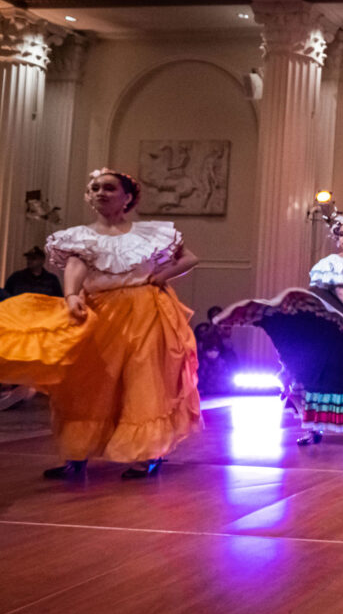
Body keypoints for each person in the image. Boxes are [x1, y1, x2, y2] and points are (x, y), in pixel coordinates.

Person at [0, 168, 203, 478]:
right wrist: (70, 296)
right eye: (95, 188)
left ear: (127, 197)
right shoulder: (81, 236)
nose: (100, 193)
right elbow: (76, 267)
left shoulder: (151, 233)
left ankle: (146, 453)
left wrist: (158, 278)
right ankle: (77, 454)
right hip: (99, 310)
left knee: (143, 378)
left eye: (109, 188)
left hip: (144, 309)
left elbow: (188, 258)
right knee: (90, 381)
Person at [218, 213, 343, 447]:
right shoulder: (330, 264)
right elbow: (340, 292)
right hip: (333, 321)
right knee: (319, 369)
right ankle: (312, 427)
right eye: (341, 234)